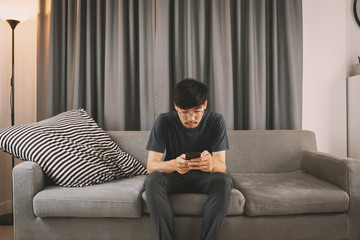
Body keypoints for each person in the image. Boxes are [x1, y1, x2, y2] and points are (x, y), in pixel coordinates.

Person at [145, 78, 233, 240]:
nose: (191, 118)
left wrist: (211, 164)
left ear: (205, 105)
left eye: (197, 110)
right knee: (152, 180)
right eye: (184, 112)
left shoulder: (216, 121)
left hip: (204, 178)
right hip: (174, 177)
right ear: (176, 106)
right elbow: (151, 166)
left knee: (224, 180)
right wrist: (174, 164)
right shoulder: (164, 121)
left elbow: (222, 166)